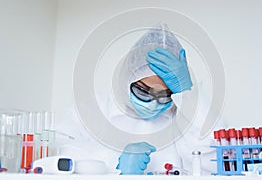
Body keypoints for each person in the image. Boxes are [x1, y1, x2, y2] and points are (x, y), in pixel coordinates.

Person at [55, 23, 225, 175]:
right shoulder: (94, 109)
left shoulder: (184, 118)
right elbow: (57, 154)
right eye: (143, 91)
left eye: (164, 95)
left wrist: (188, 95)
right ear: (127, 78)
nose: (153, 103)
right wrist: (114, 161)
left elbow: (215, 161)